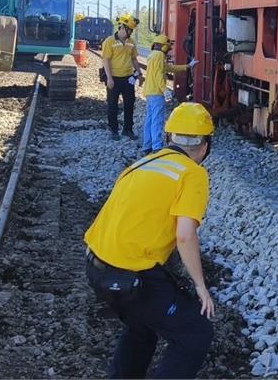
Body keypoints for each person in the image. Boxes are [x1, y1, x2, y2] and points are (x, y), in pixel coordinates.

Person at [84, 102, 216, 379]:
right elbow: (184, 235)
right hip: (130, 274)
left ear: (169, 137)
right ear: (205, 145)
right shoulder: (193, 174)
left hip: (96, 267)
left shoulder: (143, 163)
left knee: (140, 326)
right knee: (195, 333)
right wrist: (201, 287)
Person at [141, 34, 196, 154]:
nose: (168, 49)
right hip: (157, 93)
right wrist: (164, 89)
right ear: (163, 46)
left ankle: (147, 145)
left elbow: (168, 68)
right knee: (157, 120)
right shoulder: (159, 55)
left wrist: (187, 66)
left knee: (150, 119)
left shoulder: (152, 55)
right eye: (168, 47)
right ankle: (157, 147)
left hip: (149, 92)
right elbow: (159, 74)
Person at [101, 14, 141, 140]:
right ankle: (113, 130)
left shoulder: (131, 42)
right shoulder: (109, 41)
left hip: (128, 78)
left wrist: (139, 73)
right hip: (114, 78)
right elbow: (106, 60)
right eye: (129, 29)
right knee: (112, 104)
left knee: (129, 104)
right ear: (122, 27)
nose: (130, 32)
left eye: (131, 30)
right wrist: (109, 78)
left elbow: (134, 59)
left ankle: (127, 129)